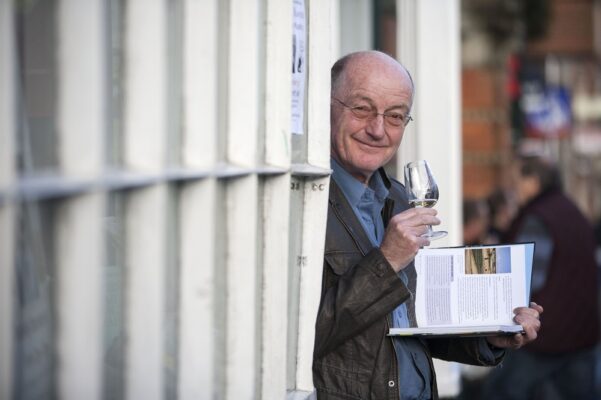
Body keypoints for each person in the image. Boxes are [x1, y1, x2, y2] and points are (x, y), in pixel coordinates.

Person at [312, 50, 543, 400]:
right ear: (325, 105)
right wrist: (387, 261)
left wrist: (490, 337)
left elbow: (414, 325)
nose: (378, 129)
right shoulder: (306, 204)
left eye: (395, 116)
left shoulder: (398, 199)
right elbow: (300, 337)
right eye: (362, 108)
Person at [480, 155, 600, 400]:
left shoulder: (538, 217)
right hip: (582, 330)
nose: (513, 189)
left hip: (546, 334)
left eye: (516, 181)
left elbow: (527, 279)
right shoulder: (569, 208)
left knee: (501, 391)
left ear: (533, 181)